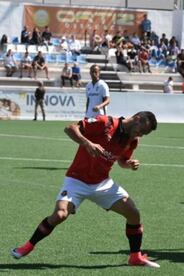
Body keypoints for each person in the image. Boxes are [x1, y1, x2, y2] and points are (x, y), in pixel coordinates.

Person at [11, 111, 160, 268]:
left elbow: (122, 160)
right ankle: (27, 246)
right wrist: (87, 142)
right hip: (77, 180)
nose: (141, 135)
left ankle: (135, 257)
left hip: (102, 183)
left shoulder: (132, 140)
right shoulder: (105, 122)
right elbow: (69, 128)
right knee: (60, 215)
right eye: (141, 131)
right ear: (137, 119)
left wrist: (128, 164)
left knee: (133, 214)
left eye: (144, 134)